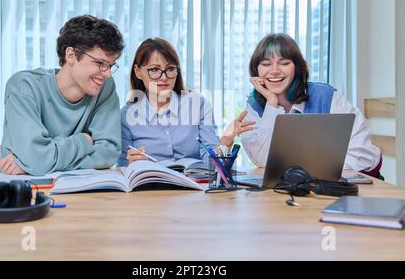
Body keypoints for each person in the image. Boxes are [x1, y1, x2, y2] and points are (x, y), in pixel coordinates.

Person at [0, 15, 124, 175]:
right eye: (100, 63)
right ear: (71, 55)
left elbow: (108, 153)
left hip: (78, 188)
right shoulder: (24, 86)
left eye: (110, 66)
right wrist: (84, 141)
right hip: (18, 189)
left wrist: (38, 161)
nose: (107, 74)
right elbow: (36, 159)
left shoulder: (104, 88)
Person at [241, 33, 382, 177]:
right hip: (297, 186)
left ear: (296, 67)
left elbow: (364, 156)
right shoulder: (254, 107)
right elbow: (262, 160)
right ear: (256, 70)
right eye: (266, 64)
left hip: (344, 184)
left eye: (284, 63)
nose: (275, 71)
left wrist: (305, 171)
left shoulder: (325, 97)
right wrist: (272, 103)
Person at [118, 38, 254, 166]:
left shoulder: (198, 104)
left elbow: (212, 163)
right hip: (151, 188)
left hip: (194, 187)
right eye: (154, 70)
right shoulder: (127, 115)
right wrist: (132, 163)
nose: (164, 77)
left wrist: (226, 141)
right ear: (138, 72)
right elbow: (123, 166)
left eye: (170, 69)